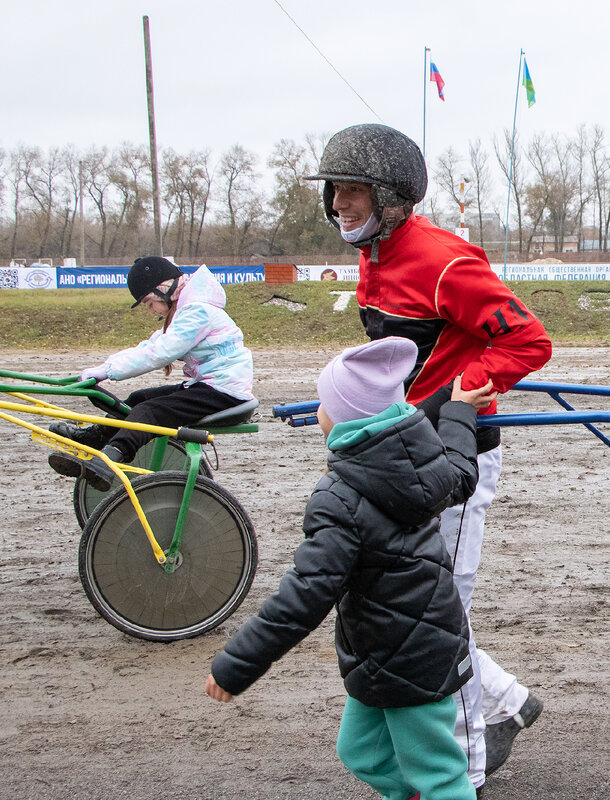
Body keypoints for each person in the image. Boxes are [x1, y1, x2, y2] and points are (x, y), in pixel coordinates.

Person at [306, 123, 553, 789]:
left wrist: (454, 402)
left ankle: (464, 773)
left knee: (441, 616)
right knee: (416, 608)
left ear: (390, 198)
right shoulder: (373, 257)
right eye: (335, 191)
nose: (338, 205)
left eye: (352, 192)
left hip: (457, 458)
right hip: (402, 458)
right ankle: (504, 698)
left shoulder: (445, 261)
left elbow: (528, 343)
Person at [206, 337, 496, 800]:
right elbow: (462, 470)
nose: (320, 409)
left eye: (325, 402)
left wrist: (237, 665)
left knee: (440, 776)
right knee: (362, 753)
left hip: (411, 659)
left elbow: (305, 595)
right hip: (391, 649)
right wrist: (459, 411)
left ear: (342, 417)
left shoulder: (339, 496)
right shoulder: (423, 459)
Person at [47, 256, 254, 492]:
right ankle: (96, 437)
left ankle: (111, 459)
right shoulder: (187, 310)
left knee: (149, 411)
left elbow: (159, 353)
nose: (151, 310)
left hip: (225, 391)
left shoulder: (198, 312)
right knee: (139, 398)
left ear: (164, 288)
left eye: (149, 303)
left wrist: (107, 372)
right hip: (212, 386)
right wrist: (104, 368)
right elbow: (148, 346)